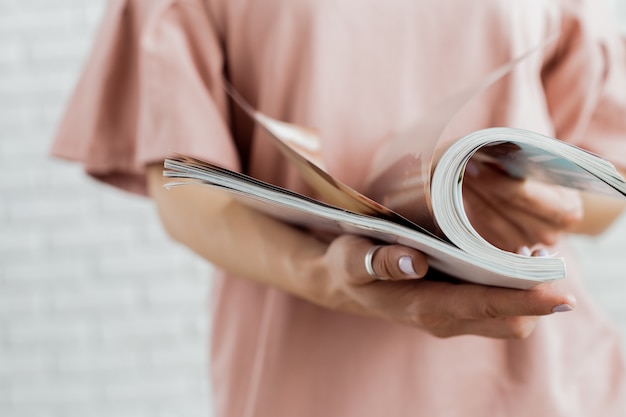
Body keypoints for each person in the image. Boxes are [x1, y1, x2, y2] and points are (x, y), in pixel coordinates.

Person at [52, 0, 626, 415]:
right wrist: (326, 277)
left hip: (544, 380)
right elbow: (183, 188)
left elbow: (607, 188)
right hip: (303, 377)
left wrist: (544, 203)